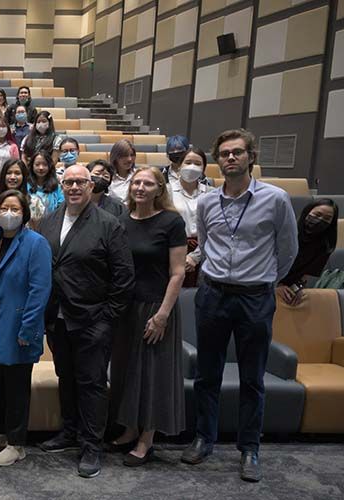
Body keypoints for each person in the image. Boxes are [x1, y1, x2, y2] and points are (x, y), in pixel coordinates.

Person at [182, 129, 298, 483]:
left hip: (254, 297)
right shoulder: (206, 202)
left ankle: (250, 449)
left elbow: (288, 249)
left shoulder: (276, 199)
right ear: (217, 161)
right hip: (213, 294)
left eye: (237, 152)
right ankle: (204, 437)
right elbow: (205, 242)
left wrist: (263, 279)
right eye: (225, 154)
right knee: (207, 373)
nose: (230, 158)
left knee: (252, 377)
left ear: (251, 157)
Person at [36, 165, 134, 479]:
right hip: (57, 318)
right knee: (66, 376)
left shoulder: (108, 224)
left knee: (91, 383)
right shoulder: (50, 220)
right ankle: (69, 431)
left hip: (93, 320)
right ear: (61, 186)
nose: (74, 187)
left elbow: (123, 277)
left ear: (91, 186)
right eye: (69, 182)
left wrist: (107, 317)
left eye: (81, 181)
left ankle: (92, 444)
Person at [108, 167, 187, 466]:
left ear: (160, 189)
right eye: (136, 182)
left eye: (148, 183)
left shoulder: (171, 221)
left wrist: (163, 315)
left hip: (156, 306)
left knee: (152, 374)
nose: (140, 187)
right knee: (126, 371)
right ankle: (129, 428)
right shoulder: (121, 221)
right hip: (126, 306)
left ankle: (147, 439)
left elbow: (177, 273)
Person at [0, 189, 53, 467]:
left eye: (15, 209)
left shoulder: (36, 243)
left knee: (16, 385)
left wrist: (28, 330)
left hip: (18, 325)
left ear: (24, 213)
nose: (9, 213)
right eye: (4, 207)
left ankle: (17, 444)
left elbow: (39, 291)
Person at [278, 199, 339, 305]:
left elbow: (305, 277)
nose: (320, 220)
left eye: (327, 218)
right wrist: (276, 286)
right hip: (264, 283)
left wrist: (297, 289)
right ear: (307, 212)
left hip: (288, 287)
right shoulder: (285, 231)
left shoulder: (325, 245)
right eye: (317, 214)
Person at [169, 148, 213, 287]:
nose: (192, 167)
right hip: (173, 248)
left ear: (203, 169)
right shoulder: (166, 191)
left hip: (204, 250)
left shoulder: (211, 194)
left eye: (197, 163)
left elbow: (214, 229)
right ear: (179, 165)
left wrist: (195, 257)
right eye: (188, 162)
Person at [29, 151, 64, 225]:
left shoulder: (57, 187)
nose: (41, 168)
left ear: (49, 166)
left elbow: (61, 208)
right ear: (32, 166)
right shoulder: (25, 186)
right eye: (37, 164)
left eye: (44, 164)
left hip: (51, 225)